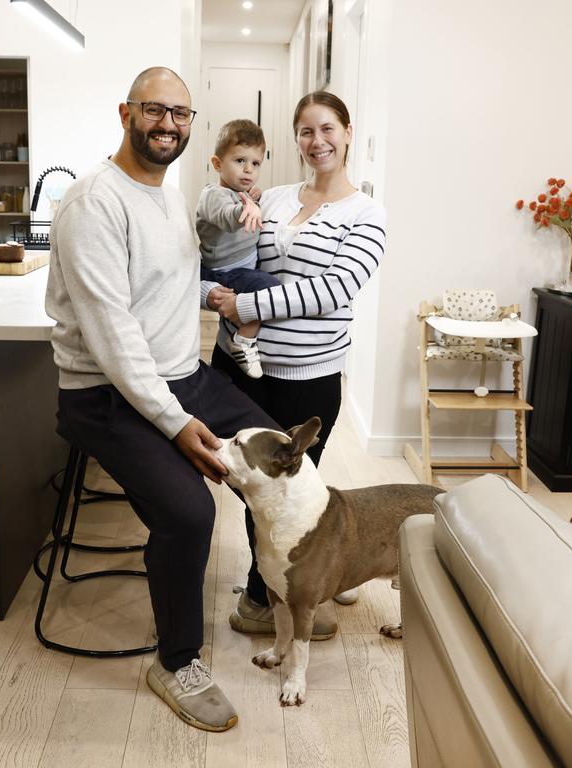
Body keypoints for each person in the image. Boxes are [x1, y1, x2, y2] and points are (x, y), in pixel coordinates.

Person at [44, 67, 280, 734]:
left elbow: (170, 283)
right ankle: (177, 662)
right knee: (188, 512)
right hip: (104, 395)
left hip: (179, 374)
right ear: (127, 113)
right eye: (155, 111)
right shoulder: (94, 203)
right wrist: (177, 424)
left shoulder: (171, 196)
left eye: (180, 113)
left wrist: (212, 296)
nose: (168, 124)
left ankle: (263, 601)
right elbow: (115, 338)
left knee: (281, 464)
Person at [207, 90, 387, 626]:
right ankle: (268, 594)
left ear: (348, 132)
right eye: (307, 131)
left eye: (328, 128)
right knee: (253, 487)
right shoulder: (274, 198)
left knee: (295, 493)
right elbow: (229, 259)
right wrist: (218, 296)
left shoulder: (367, 214)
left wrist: (246, 305)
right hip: (240, 369)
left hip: (308, 378)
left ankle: (323, 574)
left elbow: (331, 289)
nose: (318, 141)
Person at [196, 119, 281, 378]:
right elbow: (226, 216)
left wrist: (250, 200)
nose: (248, 170)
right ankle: (243, 341)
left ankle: (239, 329)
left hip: (238, 269)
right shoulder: (213, 195)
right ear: (218, 164)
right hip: (225, 272)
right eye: (239, 161)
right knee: (268, 290)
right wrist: (247, 208)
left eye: (255, 163)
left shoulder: (242, 195)